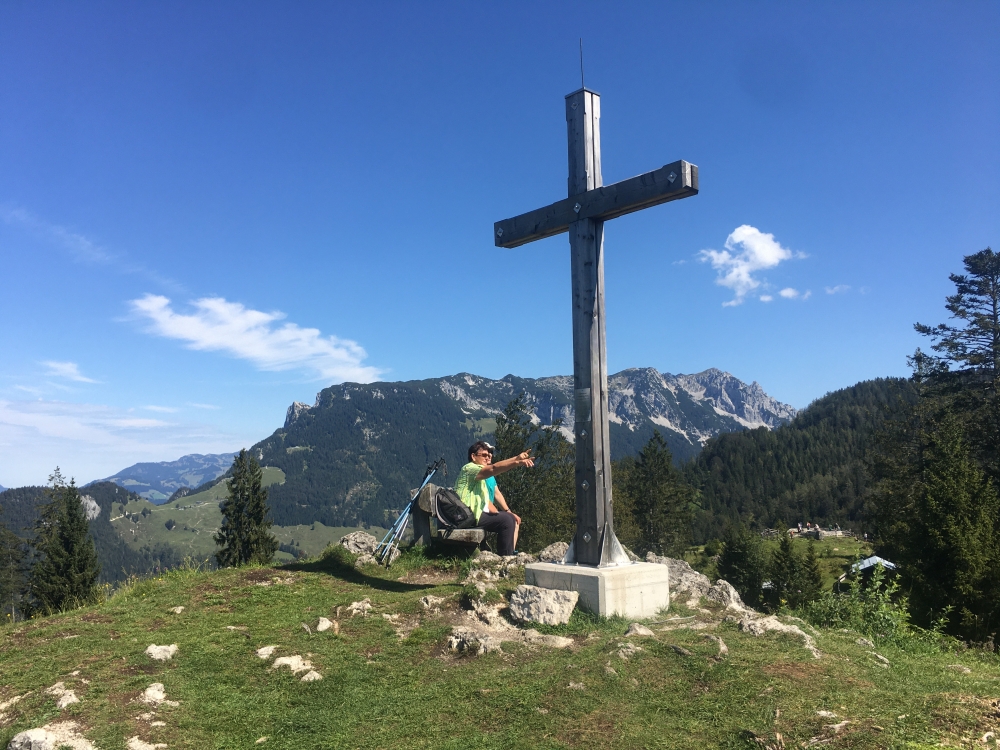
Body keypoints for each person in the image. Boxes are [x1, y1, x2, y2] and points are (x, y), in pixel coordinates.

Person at [454, 440, 532, 556]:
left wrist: (517, 458)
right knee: (507, 520)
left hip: (471, 515)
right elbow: (494, 468)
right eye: (484, 455)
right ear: (473, 456)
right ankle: (506, 558)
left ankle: (506, 556)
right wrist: (516, 461)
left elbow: (492, 494)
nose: (487, 458)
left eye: (489, 455)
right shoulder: (469, 468)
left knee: (508, 518)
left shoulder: (480, 476)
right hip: (466, 515)